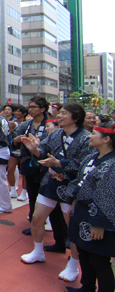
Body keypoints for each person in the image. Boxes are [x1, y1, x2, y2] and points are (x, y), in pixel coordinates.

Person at [20, 102, 94, 283]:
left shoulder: (86, 138)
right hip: (51, 182)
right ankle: (38, 251)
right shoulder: (56, 134)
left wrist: (59, 164)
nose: (59, 116)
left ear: (75, 118)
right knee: (37, 218)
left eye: (64, 114)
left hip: (72, 186)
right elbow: (43, 151)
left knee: (72, 226)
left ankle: (73, 264)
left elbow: (85, 165)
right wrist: (34, 148)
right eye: (59, 113)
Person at [65, 121, 115, 292]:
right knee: (83, 252)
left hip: (99, 217)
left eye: (94, 133)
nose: (89, 135)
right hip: (82, 211)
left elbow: (109, 196)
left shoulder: (112, 163)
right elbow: (80, 179)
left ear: (107, 139)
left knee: (98, 259)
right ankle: (86, 287)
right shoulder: (92, 156)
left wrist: (100, 223)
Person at [11, 96, 49, 235]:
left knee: (46, 195)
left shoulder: (50, 124)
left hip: (45, 164)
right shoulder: (27, 124)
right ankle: (34, 223)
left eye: (33, 107)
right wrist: (17, 139)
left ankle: (54, 226)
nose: (30, 110)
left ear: (43, 109)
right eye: (30, 107)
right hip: (29, 162)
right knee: (32, 195)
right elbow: (14, 137)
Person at [11, 105, 29, 201]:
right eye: (16, 111)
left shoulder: (27, 123)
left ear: (24, 113)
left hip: (24, 149)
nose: (16, 113)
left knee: (23, 171)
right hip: (14, 148)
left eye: (19, 111)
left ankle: (24, 191)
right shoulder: (12, 122)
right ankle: (13, 189)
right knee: (10, 169)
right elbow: (8, 135)